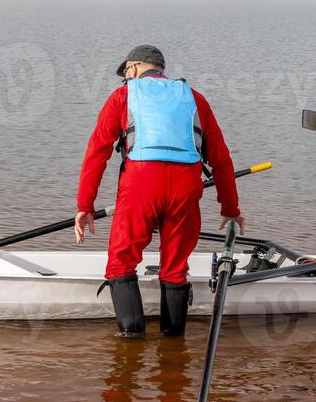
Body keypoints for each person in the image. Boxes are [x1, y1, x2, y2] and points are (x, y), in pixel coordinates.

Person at [75, 45, 244, 337]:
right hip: (185, 188)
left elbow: (97, 153)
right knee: (176, 266)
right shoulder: (195, 98)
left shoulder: (122, 96)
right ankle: (173, 340)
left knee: (121, 262)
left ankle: (131, 340)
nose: (126, 76)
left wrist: (85, 205)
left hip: (141, 183)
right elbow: (221, 159)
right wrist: (231, 210)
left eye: (127, 70)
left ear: (137, 67)